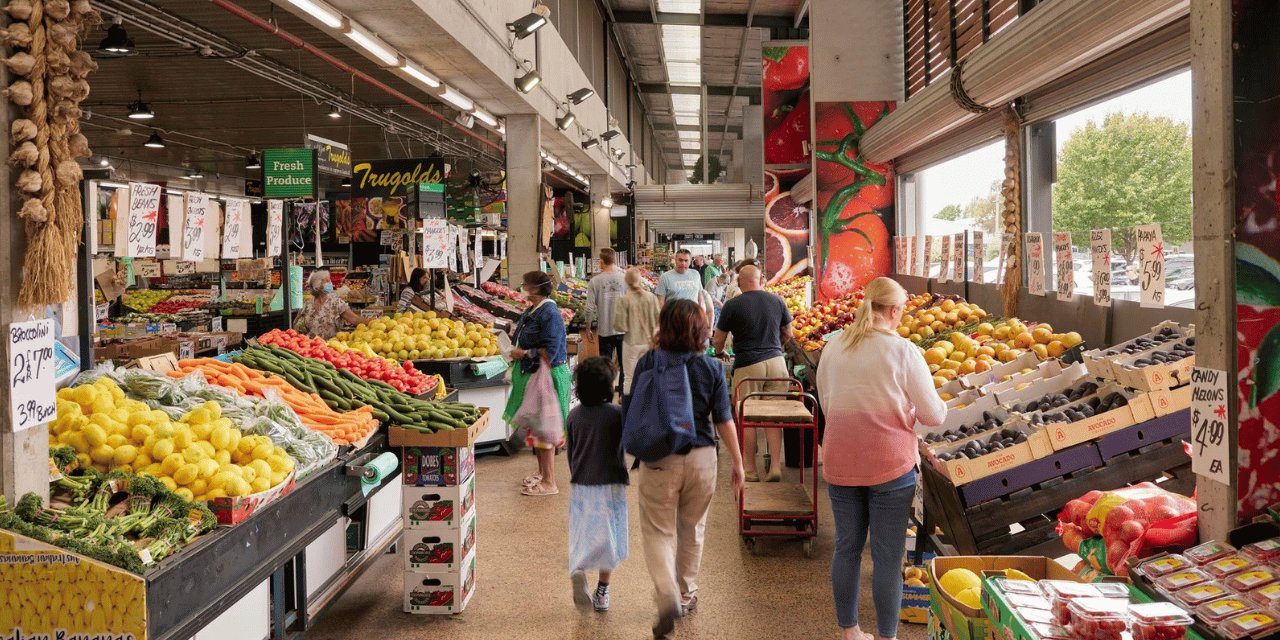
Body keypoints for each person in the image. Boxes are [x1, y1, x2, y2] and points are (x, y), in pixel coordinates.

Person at [816, 277, 947, 640]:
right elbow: (933, 415)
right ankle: (887, 637)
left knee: (846, 548)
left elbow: (827, 402)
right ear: (893, 311)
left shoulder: (833, 346)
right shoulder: (903, 351)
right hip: (890, 465)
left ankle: (850, 632)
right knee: (888, 558)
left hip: (840, 461)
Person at [627, 299, 746, 639]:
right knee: (693, 528)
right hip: (703, 457)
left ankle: (666, 593)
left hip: (660, 458)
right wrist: (738, 464)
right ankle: (685, 592)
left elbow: (636, 407)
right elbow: (725, 420)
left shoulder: (649, 361)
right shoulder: (710, 368)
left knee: (658, 531)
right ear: (700, 329)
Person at [712, 265, 793, 482]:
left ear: (739, 283)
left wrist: (719, 352)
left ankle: (751, 469)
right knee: (774, 417)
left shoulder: (732, 305)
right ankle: (775, 466)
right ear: (761, 280)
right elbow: (788, 333)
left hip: (748, 366)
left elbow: (718, 339)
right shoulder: (777, 301)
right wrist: (778, 347)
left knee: (747, 417)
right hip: (777, 364)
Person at [567, 357, 629, 614]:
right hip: (612, 483)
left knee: (583, 532)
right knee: (609, 538)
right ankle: (602, 591)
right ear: (609, 386)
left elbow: (571, 452)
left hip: (581, 483)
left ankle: (579, 567)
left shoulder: (573, 416)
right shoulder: (617, 415)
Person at [503, 270, 572, 497]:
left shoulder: (549, 313)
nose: (522, 288)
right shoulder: (534, 309)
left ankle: (550, 482)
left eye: (525, 285)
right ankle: (542, 474)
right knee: (537, 426)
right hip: (534, 375)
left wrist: (523, 353)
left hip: (547, 377)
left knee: (544, 429)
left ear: (535, 289)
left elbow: (550, 352)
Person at [585, 248, 628, 390]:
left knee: (605, 366)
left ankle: (606, 394)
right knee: (624, 366)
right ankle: (623, 395)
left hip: (605, 330)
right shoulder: (625, 278)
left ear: (601, 261)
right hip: (623, 329)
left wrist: (588, 327)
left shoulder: (595, 281)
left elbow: (589, 308)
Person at [613, 267, 660, 395]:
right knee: (649, 374)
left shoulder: (624, 300)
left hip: (631, 342)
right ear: (640, 280)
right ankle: (648, 403)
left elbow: (620, 327)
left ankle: (628, 408)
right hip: (649, 343)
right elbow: (659, 320)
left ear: (626, 281)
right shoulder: (651, 297)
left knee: (629, 377)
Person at [294, 270, 370, 339]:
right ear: (317, 286)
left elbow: (354, 319)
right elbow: (296, 325)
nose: (330, 283)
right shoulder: (307, 304)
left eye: (329, 280)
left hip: (330, 347)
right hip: (310, 346)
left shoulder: (336, 303)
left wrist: (371, 321)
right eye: (327, 281)